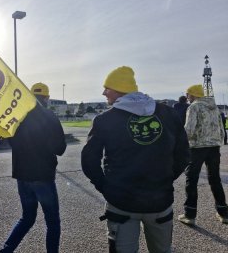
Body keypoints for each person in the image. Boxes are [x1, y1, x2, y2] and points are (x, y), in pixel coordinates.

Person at [81, 66, 189, 252]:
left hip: (121, 202)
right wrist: (164, 179)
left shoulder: (105, 119)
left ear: (120, 89)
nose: (104, 92)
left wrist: (106, 187)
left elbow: (89, 160)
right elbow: (184, 155)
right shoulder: (168, 114)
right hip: (160, 201)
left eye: (107, 87)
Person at [0, 82, 67, 253]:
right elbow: (60, 148)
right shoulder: (49, 116)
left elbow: (11, 141)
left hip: (22, 175)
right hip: (43, 175)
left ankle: (6, 250)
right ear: (46, 97)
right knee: (52, 221)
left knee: (27, 218)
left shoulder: (18, 115)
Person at [178, 84, 228, 225]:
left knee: (192, 179)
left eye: (188, 94)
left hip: (198, 148)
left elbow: (189, 129)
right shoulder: (214, 107)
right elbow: (221, 127)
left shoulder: (194, 107)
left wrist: (182, 143)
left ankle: (190, 214)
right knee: (215, 179)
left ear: (193, 94)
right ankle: (224, 213)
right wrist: (219, 142)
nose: (187, 97)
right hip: (214, 147)